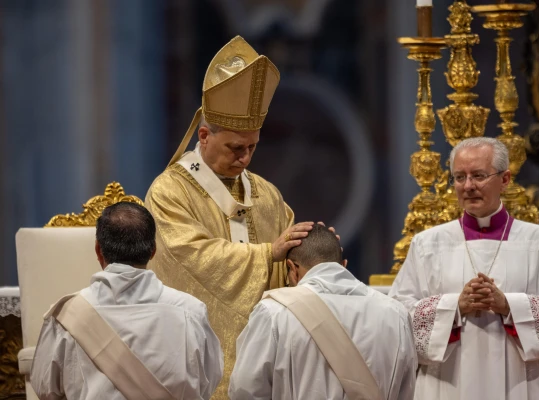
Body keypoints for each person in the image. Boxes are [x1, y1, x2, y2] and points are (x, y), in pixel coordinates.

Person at [144, 35, 314, 398]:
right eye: (235, 148)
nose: (245, 159)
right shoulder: (170, 192)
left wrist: (312, 255)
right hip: (197, 354)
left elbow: (290, 265)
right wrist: (267, 254)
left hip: (265, 355)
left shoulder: (266, 194)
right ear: (204, 136)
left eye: (252, 147)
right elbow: (190, 256)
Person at [389, 137, 539, 399]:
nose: (468, 186)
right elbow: (398, 314)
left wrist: (508, 305)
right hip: (446, 383)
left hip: (517, 381)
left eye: (478, 176)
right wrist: (455, 306)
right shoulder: (427, 244)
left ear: (504, 179)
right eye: (459, 177)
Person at [31, 202, 223, 400]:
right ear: (153, 250)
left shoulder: (67, 315)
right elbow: (209, 380)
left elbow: (45, 388)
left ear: (98, 251)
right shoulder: (191, 311)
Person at [229, 224, 417, 399]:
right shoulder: (395, 313)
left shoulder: (274, 313)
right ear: (343, 264)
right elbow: (406, 389)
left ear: (292, 268)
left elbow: (245, 390)